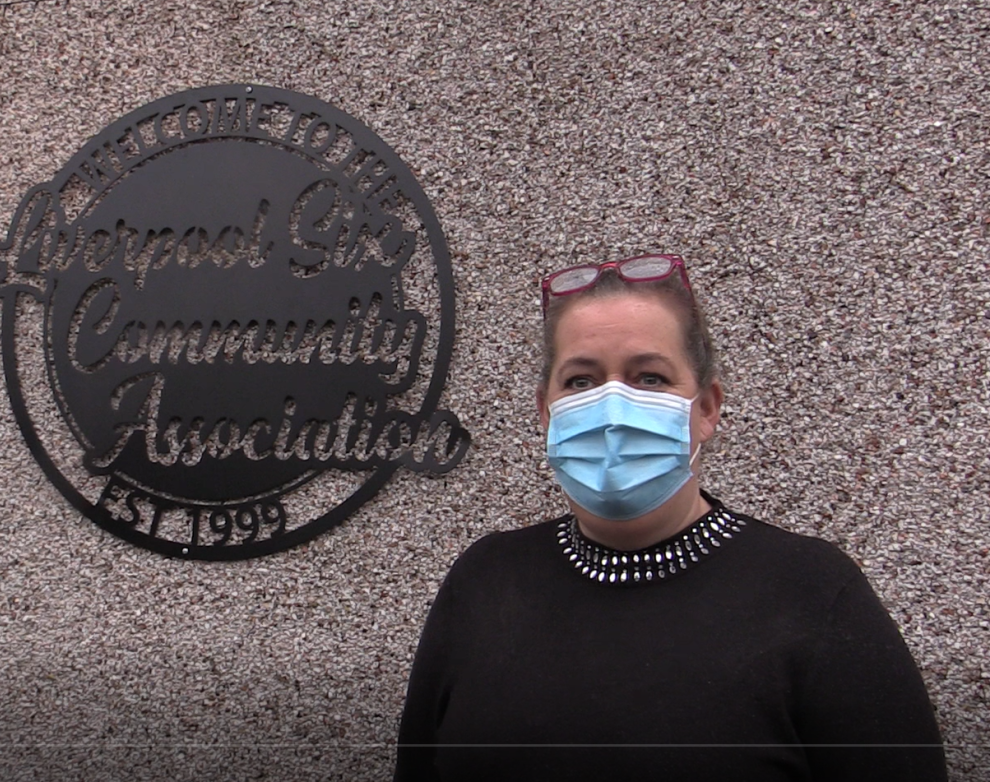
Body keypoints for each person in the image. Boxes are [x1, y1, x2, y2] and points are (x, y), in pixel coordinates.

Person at [394, 254, 946, 781]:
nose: (611, 410)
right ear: (546, 410)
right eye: (581, 381)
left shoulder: (814, 592)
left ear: (705, 409)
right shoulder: (486, 580)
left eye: (650, 378)